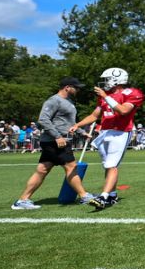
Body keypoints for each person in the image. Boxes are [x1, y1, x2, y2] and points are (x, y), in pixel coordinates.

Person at [12, 77, 96, 209]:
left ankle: (22, 200)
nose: (78, 90)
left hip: (57, 141)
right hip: (55, 141)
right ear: (67, 87)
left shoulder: (68, 102)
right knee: (71, 167)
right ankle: (84, 196)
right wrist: (57, 136)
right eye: (76, 87)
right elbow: (43, 119)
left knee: (42, 170)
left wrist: (81, 132)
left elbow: (68, 123)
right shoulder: (54, 100)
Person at [71, 67, 144, 210]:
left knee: (112, 165)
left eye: (107, 79)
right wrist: (77, 125)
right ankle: (112, 195)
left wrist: (105, 96)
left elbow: (123, 111)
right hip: (105, 132)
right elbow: (94, 116)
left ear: (116, 80)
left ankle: (103, 197)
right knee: (107, 165)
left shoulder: (132, 93)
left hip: (121, 132)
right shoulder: (105, 96)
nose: (104, 83)